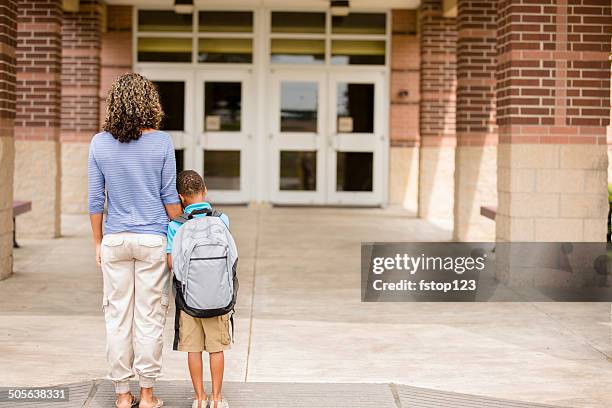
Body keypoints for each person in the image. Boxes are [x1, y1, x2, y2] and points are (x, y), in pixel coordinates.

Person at [88, 73, 182, 408]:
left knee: (116, 317)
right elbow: (170, 200)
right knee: (149, 316)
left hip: (114, 240)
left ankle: (122, 395)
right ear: (149, 103)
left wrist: (98, 242)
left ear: (114, 104)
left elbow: (95, 200)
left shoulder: (99, 143)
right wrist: (186, 218)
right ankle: (147, 394)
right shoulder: (162, 142)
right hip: (152, 241)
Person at [167, 170, 231, 408]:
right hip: (218, 297)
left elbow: (172, 263)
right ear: (205, 191)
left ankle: (200, 398)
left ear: (181, 197)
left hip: (189, 300)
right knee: (217, 349)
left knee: (194, 349)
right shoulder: (221, 219)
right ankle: (217, 398)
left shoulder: (176, 225)